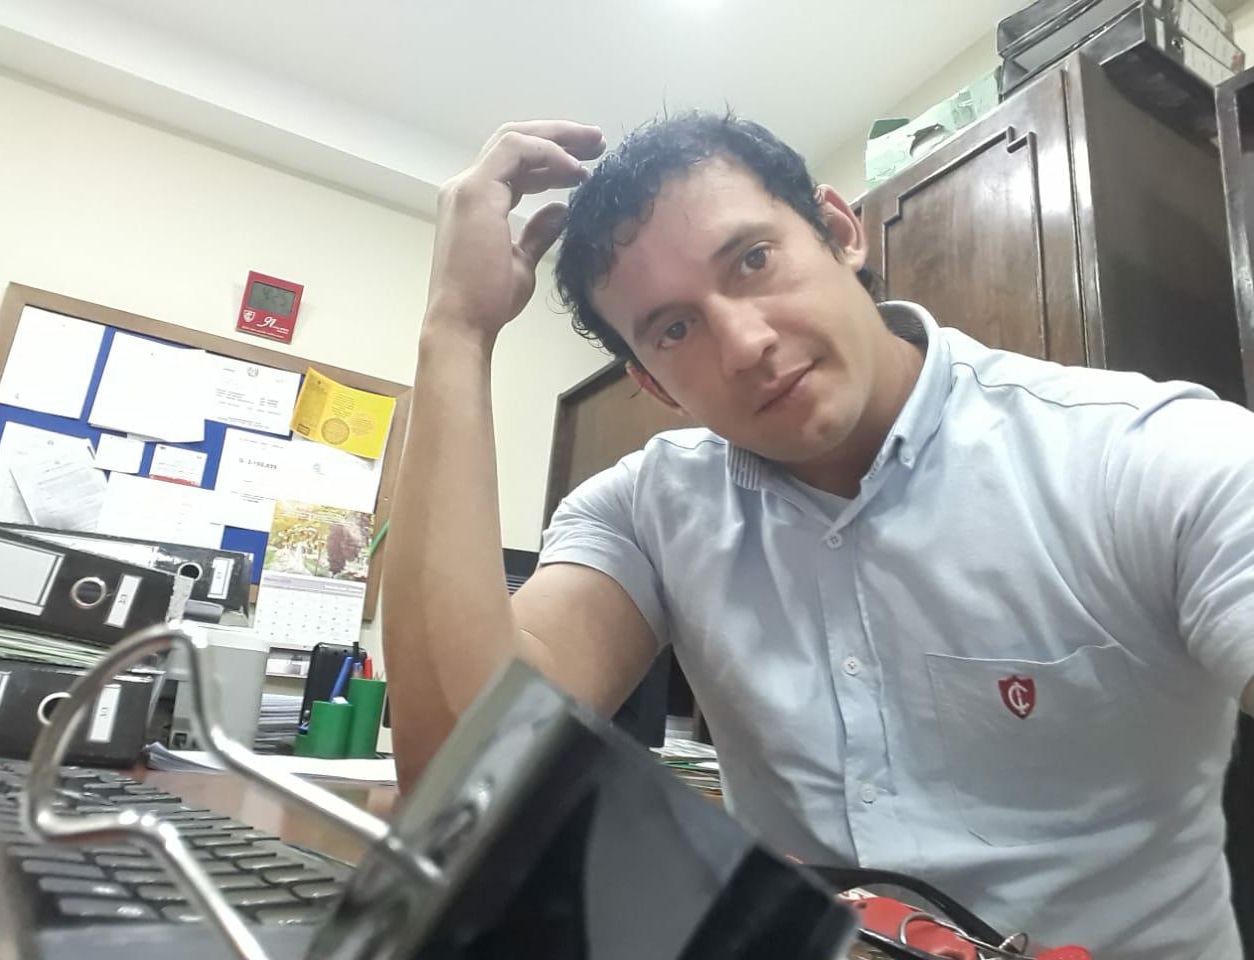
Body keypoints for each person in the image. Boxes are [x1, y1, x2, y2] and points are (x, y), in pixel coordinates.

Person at [382, 111, 1254, 960]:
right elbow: (462, 776)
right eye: (675, 329)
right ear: (652, 384)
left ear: (839, 231)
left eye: (753, 260)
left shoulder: (1143, 456)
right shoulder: (648, 509)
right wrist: (456, 329)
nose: (745, 344)